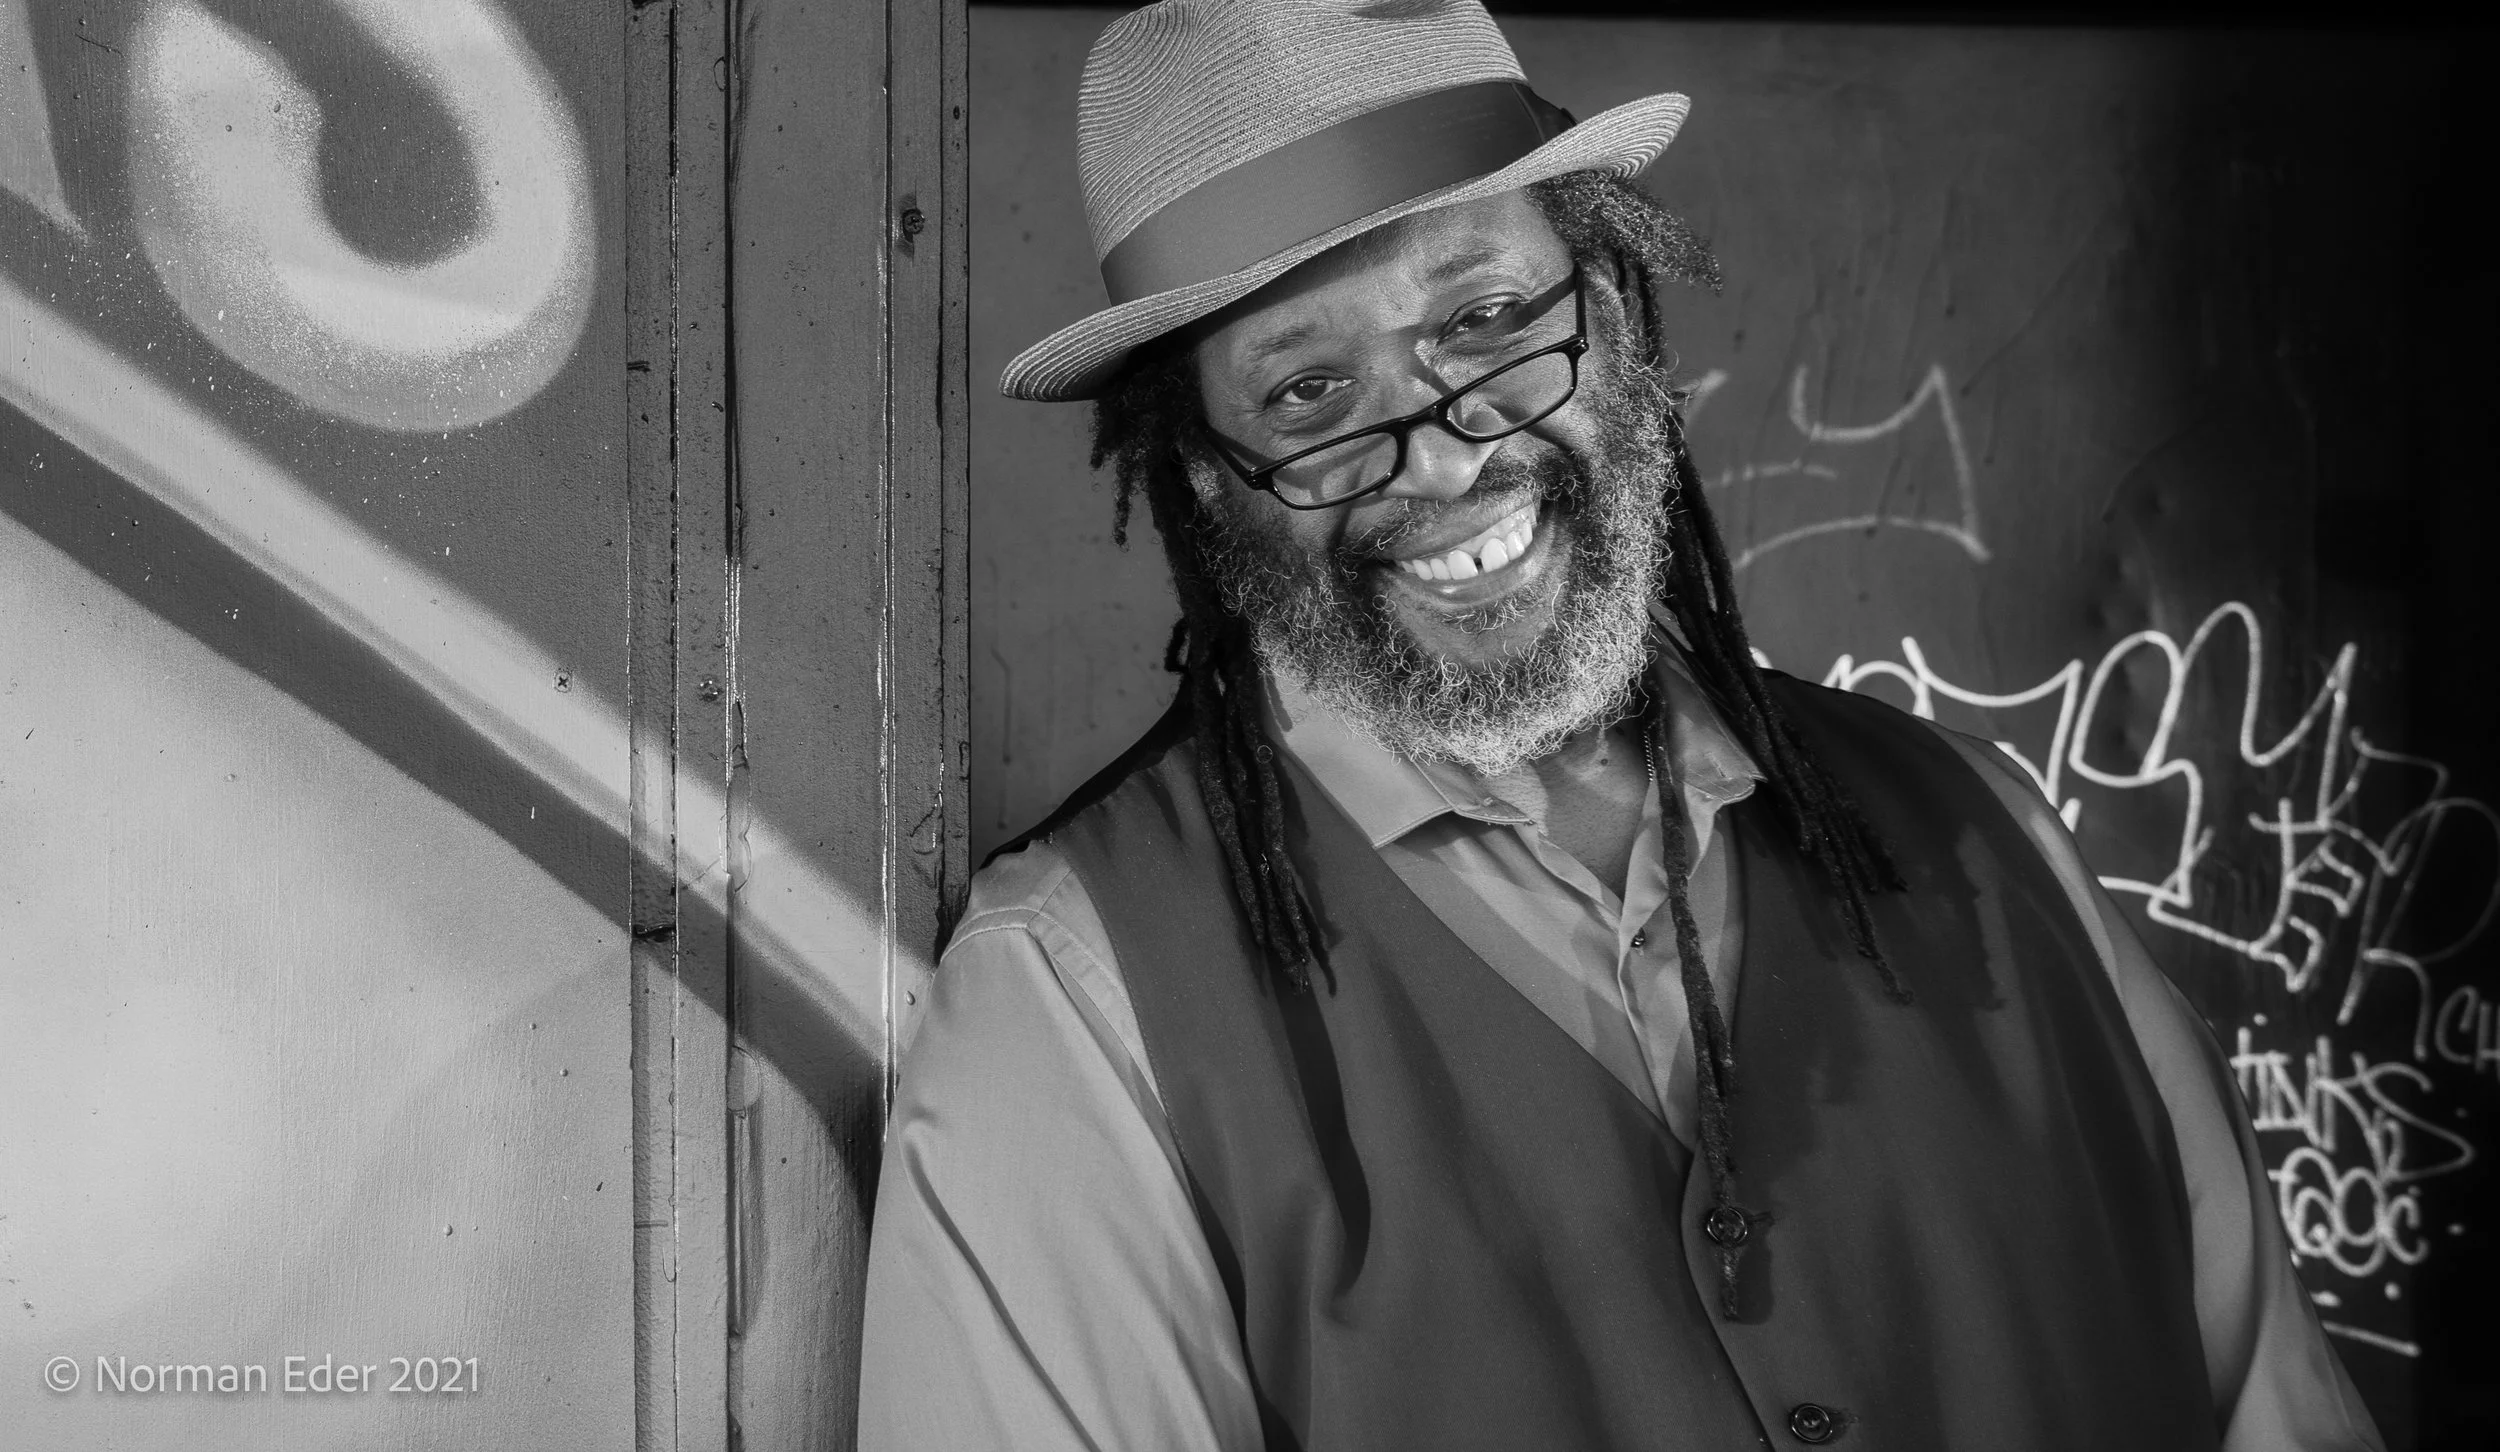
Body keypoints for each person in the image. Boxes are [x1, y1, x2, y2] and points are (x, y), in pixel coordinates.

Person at [860, 2, 2383, 1448]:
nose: (1445, 451)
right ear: (1205, 474)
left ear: (1622, 319)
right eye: (1314, 388)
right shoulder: (1072, 997)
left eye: (1492, 317)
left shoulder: (1992, 835)